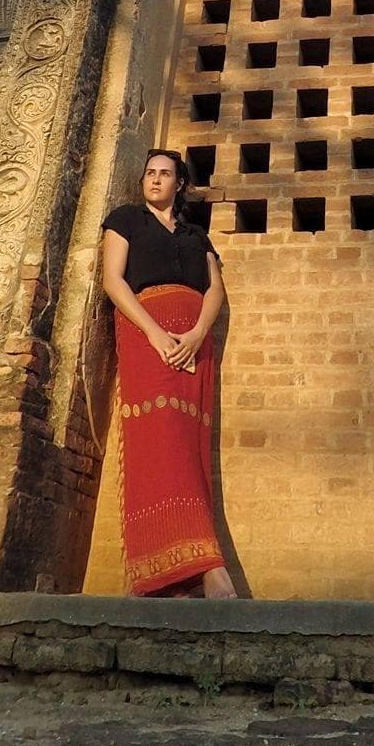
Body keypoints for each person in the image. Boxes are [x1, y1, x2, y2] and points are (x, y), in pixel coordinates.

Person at [100, 149, 238, 598]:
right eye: (150, 173)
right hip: (147, 339)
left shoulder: (197, 235)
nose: (155, 180)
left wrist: (198, 333)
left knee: (191, 447)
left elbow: (214, 288)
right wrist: (157, 334)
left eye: (165, 175)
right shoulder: (126, 220)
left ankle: (184, 577)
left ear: (180, 184)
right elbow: (113, 281)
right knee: (160, 444)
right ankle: (199, 569)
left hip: (196, 348)